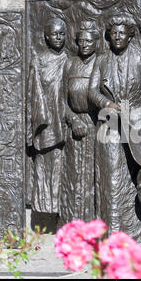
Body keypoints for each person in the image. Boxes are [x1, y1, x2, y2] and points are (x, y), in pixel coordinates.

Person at [88, 14, 141, 243]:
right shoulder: (102, 60)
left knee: (137, 177)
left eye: (121, 33)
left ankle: (139, 233)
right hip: (109, 125)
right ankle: (112, 233)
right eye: (113, 33)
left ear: (129, 36)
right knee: (112, 179)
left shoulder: (139, 58)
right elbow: (92, 91)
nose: (117, 37)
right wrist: (108, 104)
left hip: (136, 124)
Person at [26, 18, 68, 214]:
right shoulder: (39, 60)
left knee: (59, 165)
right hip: (43, 120)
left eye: (61, 34)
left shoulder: (67, 60)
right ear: (46, 37)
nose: (58, 38)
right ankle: (42, 205)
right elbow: (31, 93)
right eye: (54, 34)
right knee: (43, 164)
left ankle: (56, 204)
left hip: (63, 120)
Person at [59, 21, 99, 226]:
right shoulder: (70, 64)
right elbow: (61, 100)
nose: (84, 44)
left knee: (93, 175)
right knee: (74, 175)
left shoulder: (101, 63)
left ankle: (95, 223)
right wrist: (73, 119)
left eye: (89, 40)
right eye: (81, 40)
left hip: (97, 125)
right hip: (75, 125)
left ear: (96, 42)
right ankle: (72, 222)